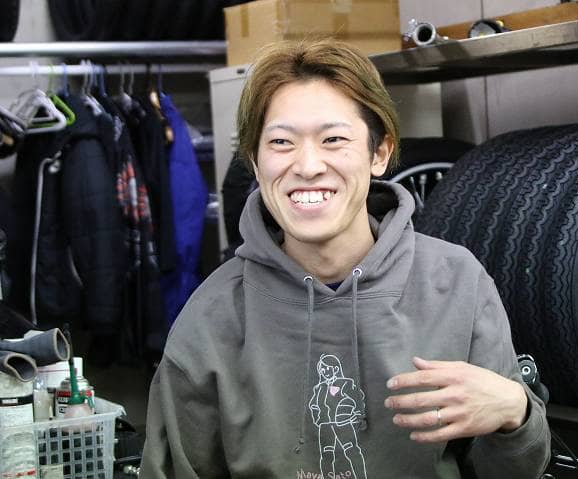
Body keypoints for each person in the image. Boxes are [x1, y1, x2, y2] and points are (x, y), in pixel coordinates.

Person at [140, 39, 551, 478]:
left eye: (333, 139)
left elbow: (513, 471)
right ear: (256, 164)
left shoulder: (456, 283)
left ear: (380, 153)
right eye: (281, 142)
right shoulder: (212, 316)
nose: (308, 165)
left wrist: (516, 413)